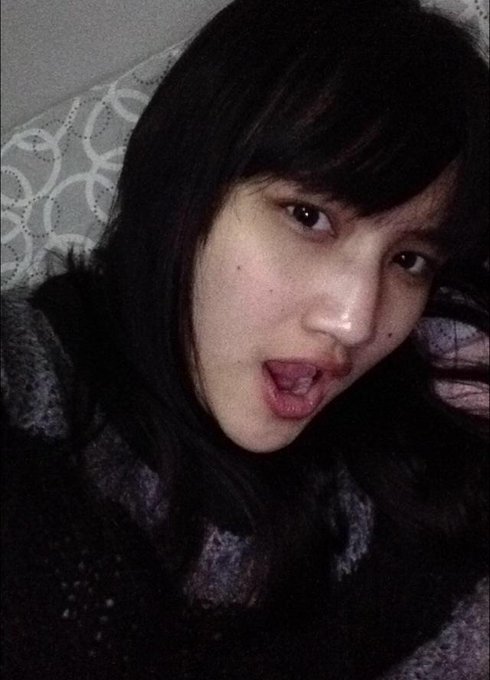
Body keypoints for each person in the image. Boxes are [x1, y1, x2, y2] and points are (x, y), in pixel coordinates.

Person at [1, 0, 488, 678]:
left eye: (409, 259)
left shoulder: (407, 450)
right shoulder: (31, 397)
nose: (355, 321)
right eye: (308, 216)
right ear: (182, 188)